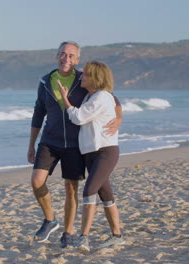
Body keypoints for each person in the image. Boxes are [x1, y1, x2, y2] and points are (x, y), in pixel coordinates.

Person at [28, 41, 122, 248]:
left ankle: (68, 233)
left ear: (77, 60)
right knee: (37, 180)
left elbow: (112, 99)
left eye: (71, 56)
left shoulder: (83, 79)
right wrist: (31, 144)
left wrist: (119, 118)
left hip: (74, 144)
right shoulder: (45, 81)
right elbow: (38, 113)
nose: (66, 58)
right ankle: (50, 220)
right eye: (63, 54)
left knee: (71, 188)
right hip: (49, 140)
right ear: (57, 56)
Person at [58, 61, 124, 251]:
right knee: (106, 195)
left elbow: (78, 118)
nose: (81, 76)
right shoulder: (90, 95)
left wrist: (65, 99)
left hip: (105, 151)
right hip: (91, 152)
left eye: (85, 74)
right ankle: (117, 236)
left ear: (95, 78)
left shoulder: (102, 97)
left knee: (89, 191)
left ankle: (83, 238)